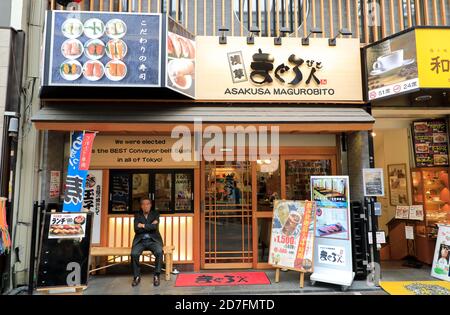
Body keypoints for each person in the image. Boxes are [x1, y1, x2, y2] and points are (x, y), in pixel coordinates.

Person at [131, 198, 163, 287]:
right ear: (141, 206)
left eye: (148, 204)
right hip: (140, 240)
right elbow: (136, 229)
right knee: (134, 254)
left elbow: (154, 227)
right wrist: (150, 225)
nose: (146, 206)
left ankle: (156, 275)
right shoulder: (137, 215)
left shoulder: (155, 214)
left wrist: (142, 225)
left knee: (159, 252)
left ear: (151, 205)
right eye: (144, 204)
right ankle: (136, 276)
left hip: (153, 240)